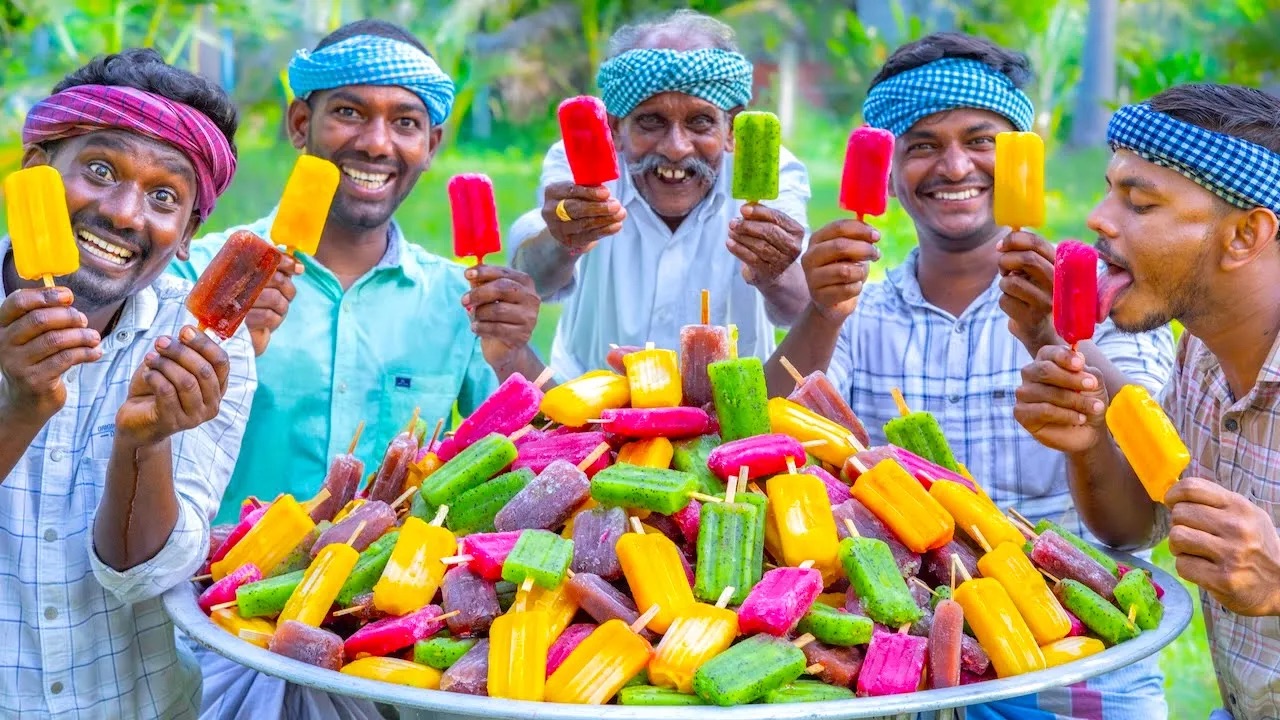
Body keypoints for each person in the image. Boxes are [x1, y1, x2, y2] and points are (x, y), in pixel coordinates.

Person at [763, 32, 1175, 719]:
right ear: (888, 174)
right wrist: (822, 312)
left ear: (1023, 160)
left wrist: (1047, 333)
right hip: (901, 667)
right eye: (921, 144)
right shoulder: (860, 313)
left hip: (1077, 661)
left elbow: (1144, 504)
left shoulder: (1103, 299)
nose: (954, 165)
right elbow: (757, 449)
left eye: (981, 140)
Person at [171, 20, 545, 527]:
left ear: (431, 145)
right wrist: (224, 341)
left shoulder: (464, 302)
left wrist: (512, 354)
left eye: (405, 123)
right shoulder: (197, 271)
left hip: (381, 599)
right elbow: (130, 436)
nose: (376, 143)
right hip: (212, 586)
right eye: (349, 113)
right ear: (300, 123)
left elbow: (545, 452)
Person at [0, 49, 254, 719]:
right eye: (100, 170)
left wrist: (142, 446)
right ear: (36, 172)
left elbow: (145, 574)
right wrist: (18, 411)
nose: (124, 213)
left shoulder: (205, 342)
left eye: (164, 195)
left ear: (191, 232)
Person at [1013, 84, 1280, 720]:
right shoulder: (1201, 361)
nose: (1100, 218)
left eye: (1139, 202)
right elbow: (1134, 527)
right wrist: (1088, 442)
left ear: (1245, 234)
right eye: (1109, 188)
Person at [509, 9, 811, 378]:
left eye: (700, 121)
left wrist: (775, 270)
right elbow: (532, 280)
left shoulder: (771, 172)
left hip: (729, 412)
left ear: (732, 128)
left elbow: (800, 309)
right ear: (616, 128)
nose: (676, 148)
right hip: (590, 408)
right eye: (651, 121)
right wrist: (563, 239)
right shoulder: (581, 166)